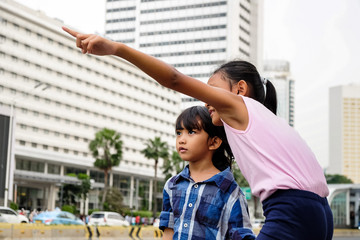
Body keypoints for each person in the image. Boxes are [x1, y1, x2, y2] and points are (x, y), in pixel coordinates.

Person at [62, 27, 333, 240]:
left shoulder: (240, 106)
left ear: (239, 89)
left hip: (290, 209)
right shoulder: (266, 122)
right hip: (321, 211)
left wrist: (115, 48)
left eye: (213, 89)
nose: (206, 100)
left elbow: (174, 79)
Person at [160, 106, 254, 240]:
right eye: (179, 133)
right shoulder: (171, 186)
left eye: (191, 132)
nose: (181, 139)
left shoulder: (231, 193)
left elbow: (242, 236)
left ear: (214, 142)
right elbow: (168, 233)